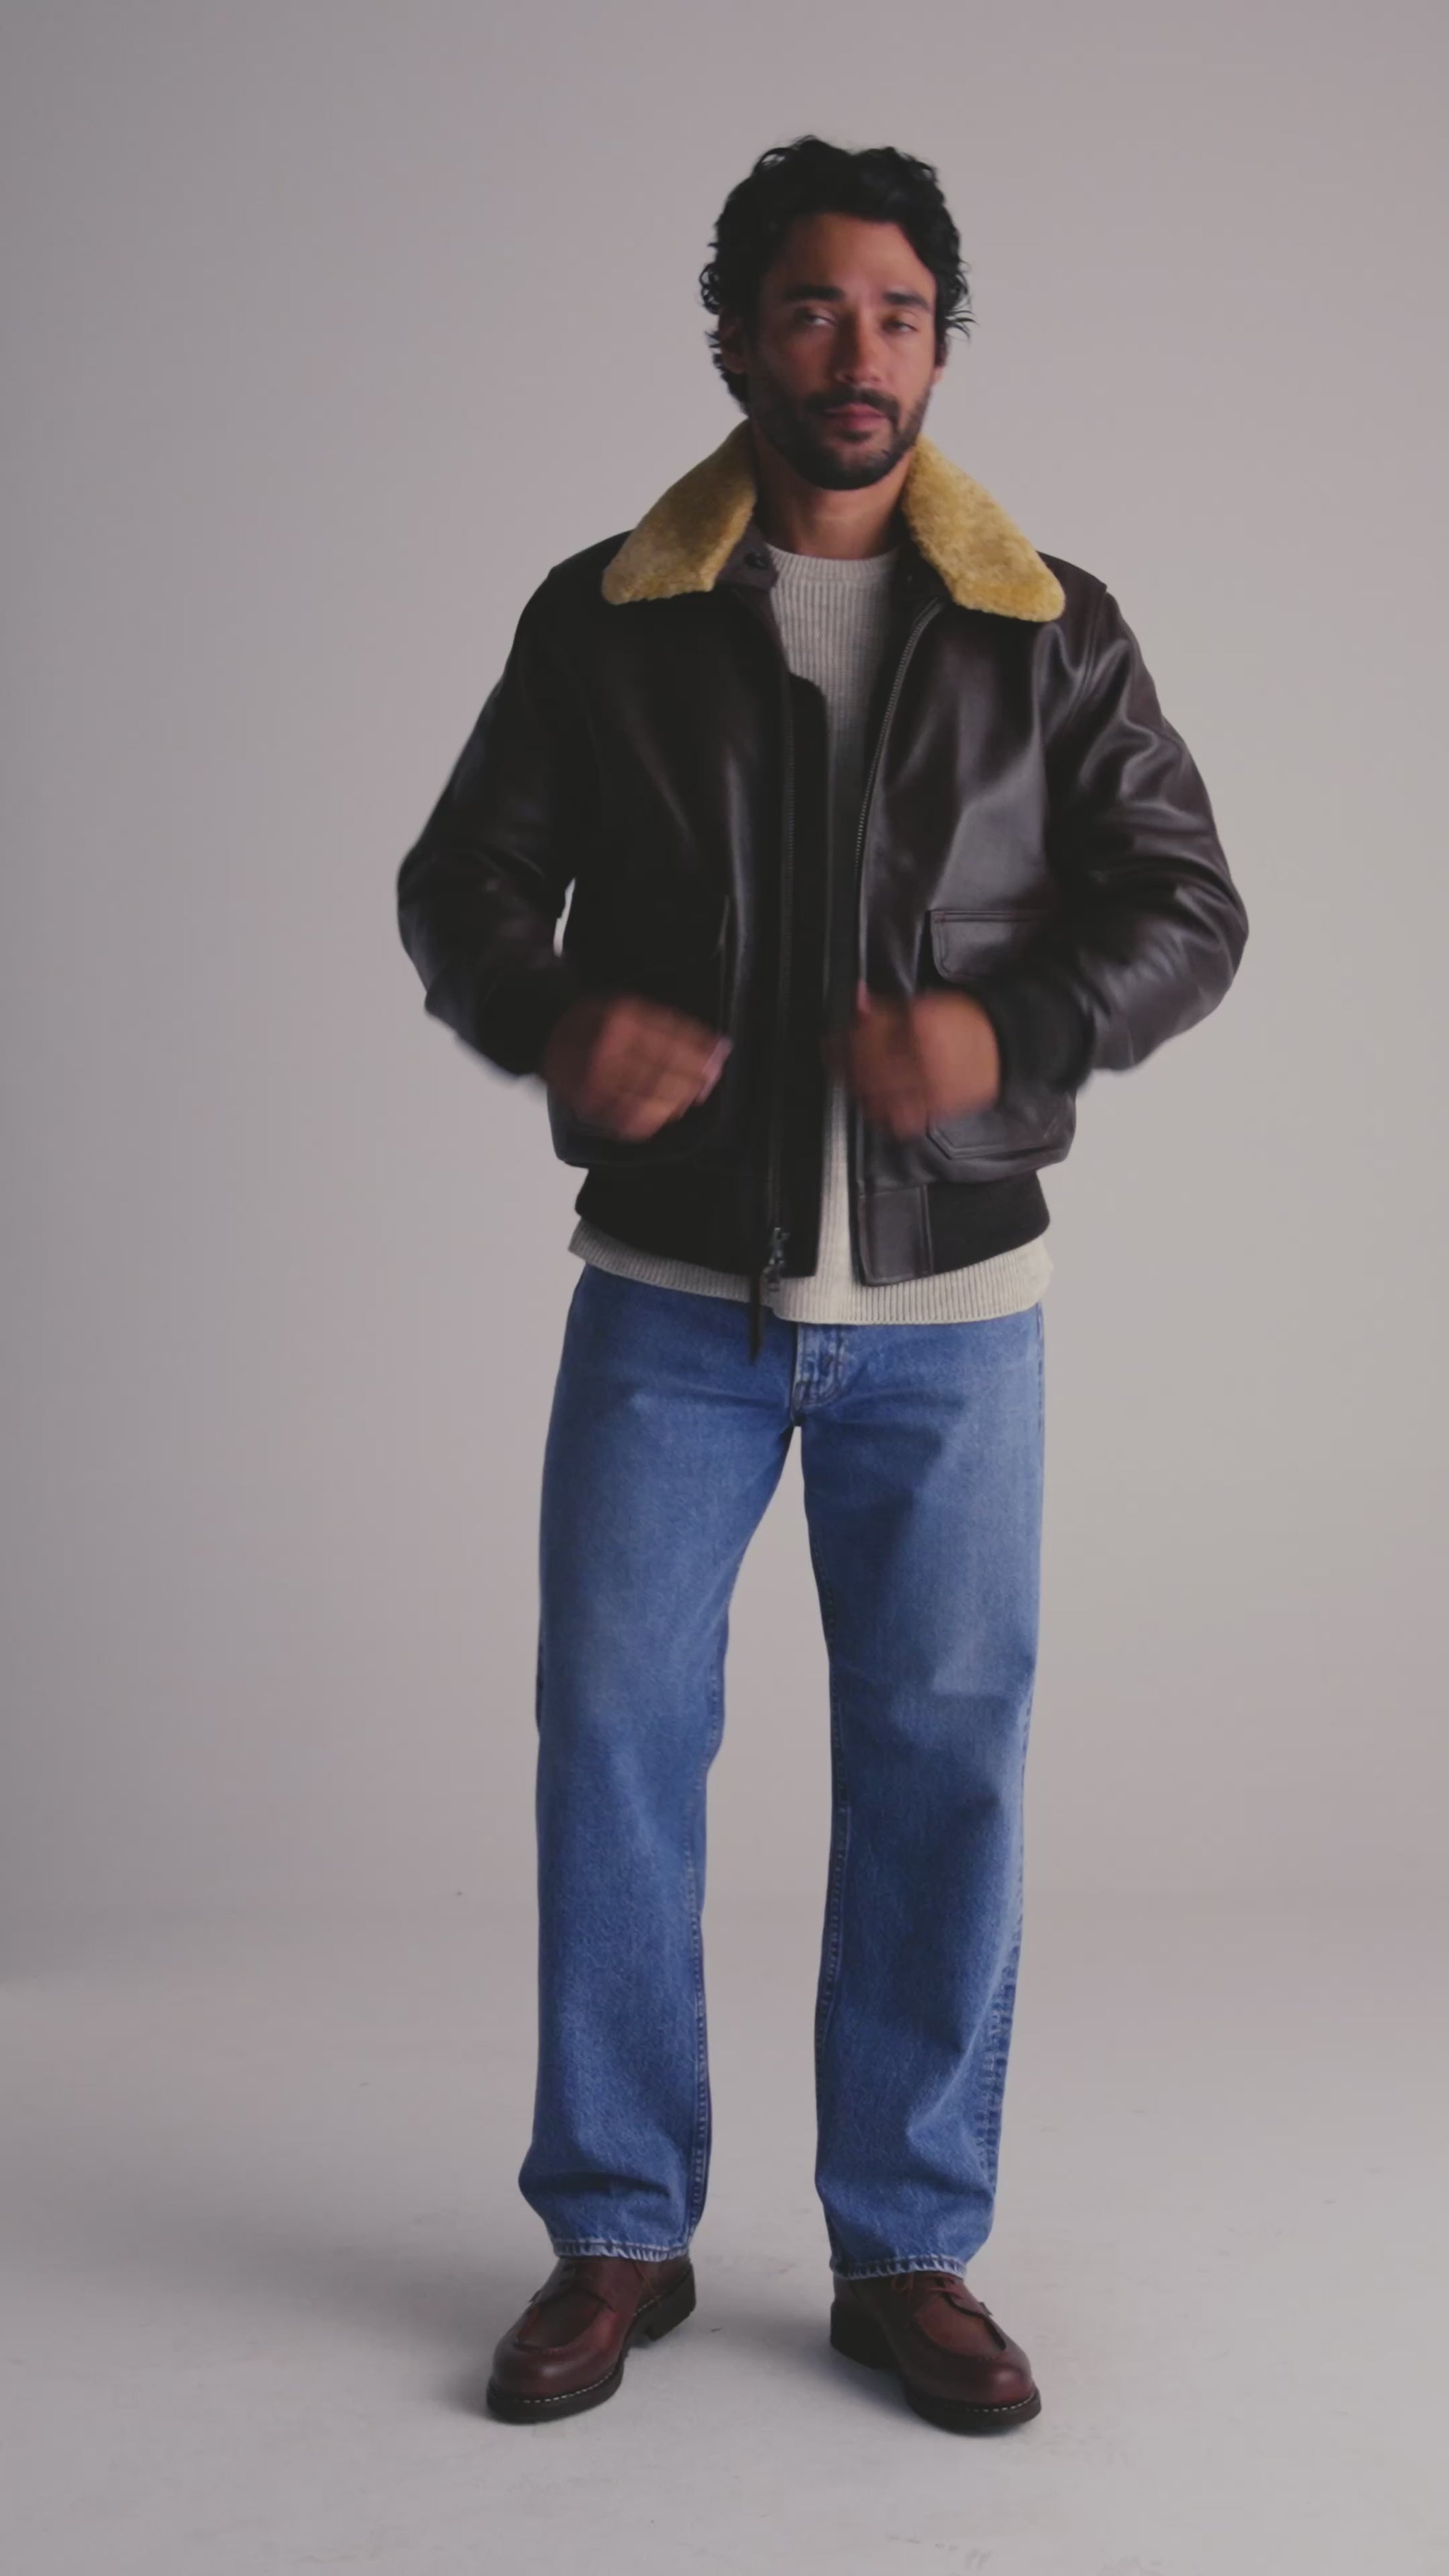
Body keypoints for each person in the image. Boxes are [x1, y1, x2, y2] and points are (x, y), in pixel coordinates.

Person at [396, 134, 1248, 2434]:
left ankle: (909, 2243)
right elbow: (462, 887)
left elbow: (1189, 906)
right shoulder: (608, 616)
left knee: (943, 1762)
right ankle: (616, 2224)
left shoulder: (1053, 624)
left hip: (954, 1315)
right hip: (669, 1295)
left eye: (897, 311)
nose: (856, 350)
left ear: (941, 346)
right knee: (614, 1738)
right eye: (808, 306)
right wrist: (548, 1016)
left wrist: (1013, 1027)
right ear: (734, 339)